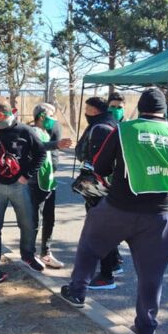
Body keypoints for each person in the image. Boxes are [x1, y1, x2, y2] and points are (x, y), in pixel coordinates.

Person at [60, 88, 168, 334]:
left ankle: (78, 291)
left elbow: (100, 165)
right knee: (151, 275)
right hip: (159, 216)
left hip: (118, 207)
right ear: (164, 110)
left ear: (140, 107)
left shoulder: (124, 130)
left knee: (90, 246)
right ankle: (145, 326)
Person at [0, 96, 47, 282]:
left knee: (28, 224)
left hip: (19, 187)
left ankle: (28, 256)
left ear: (1, 115)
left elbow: (41, 152)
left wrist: (27, 175)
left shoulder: (25, 130)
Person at [74, 97, 122, 290]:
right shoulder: (113, 124)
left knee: (101, 230)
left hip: (98, 186)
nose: (85, 112)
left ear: (93, 111)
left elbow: (99, 162)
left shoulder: (100, 128)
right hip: (108, 186)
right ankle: (115, 263)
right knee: (106, 227)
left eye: (86, 109)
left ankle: (107, 274)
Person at [29, 103, 72, 269]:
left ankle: (46, 253)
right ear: (42, 117)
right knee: (34, 220)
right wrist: (56, 144)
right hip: (36, 182)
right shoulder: (32, 131)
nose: (54, 119)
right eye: (52, 115)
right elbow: (36, 147)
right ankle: (30, 254)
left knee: (49, 219)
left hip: (49, 180)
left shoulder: (48, 132)